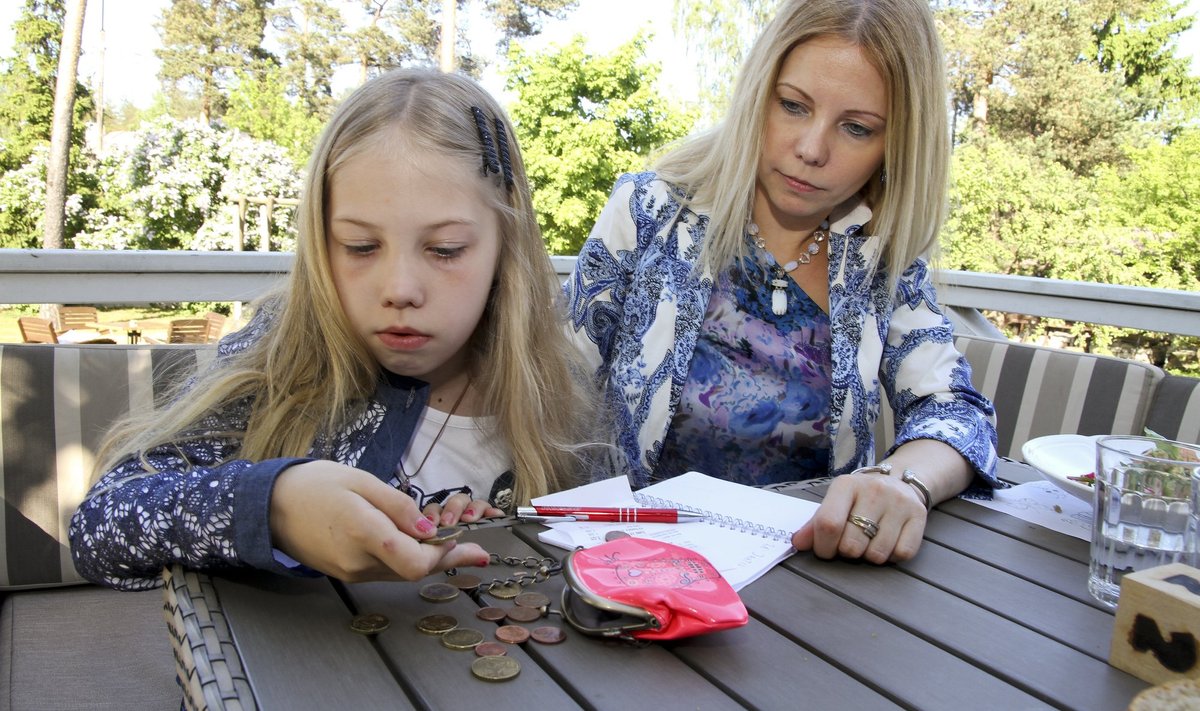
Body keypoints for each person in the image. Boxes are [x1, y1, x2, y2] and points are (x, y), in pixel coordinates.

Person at [70, 68, 599, 591]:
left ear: (506, 246)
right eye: (361, 247)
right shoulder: (281, 357)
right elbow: (101, 524)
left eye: (445, 250)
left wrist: (492, 529)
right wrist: (273, 506)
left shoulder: (557, 392)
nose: (400, 288)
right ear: (320, 241)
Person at [564, 0, 999, 565]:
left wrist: (902, 480)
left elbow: (956, 410)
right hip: (625, 564)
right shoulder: (651, 212)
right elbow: (556, 380)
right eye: (793, 106)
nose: (812, 149)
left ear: (897, 144)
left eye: (857, 127)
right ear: (758, 92)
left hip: (808, 586)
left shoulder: (882, 257)